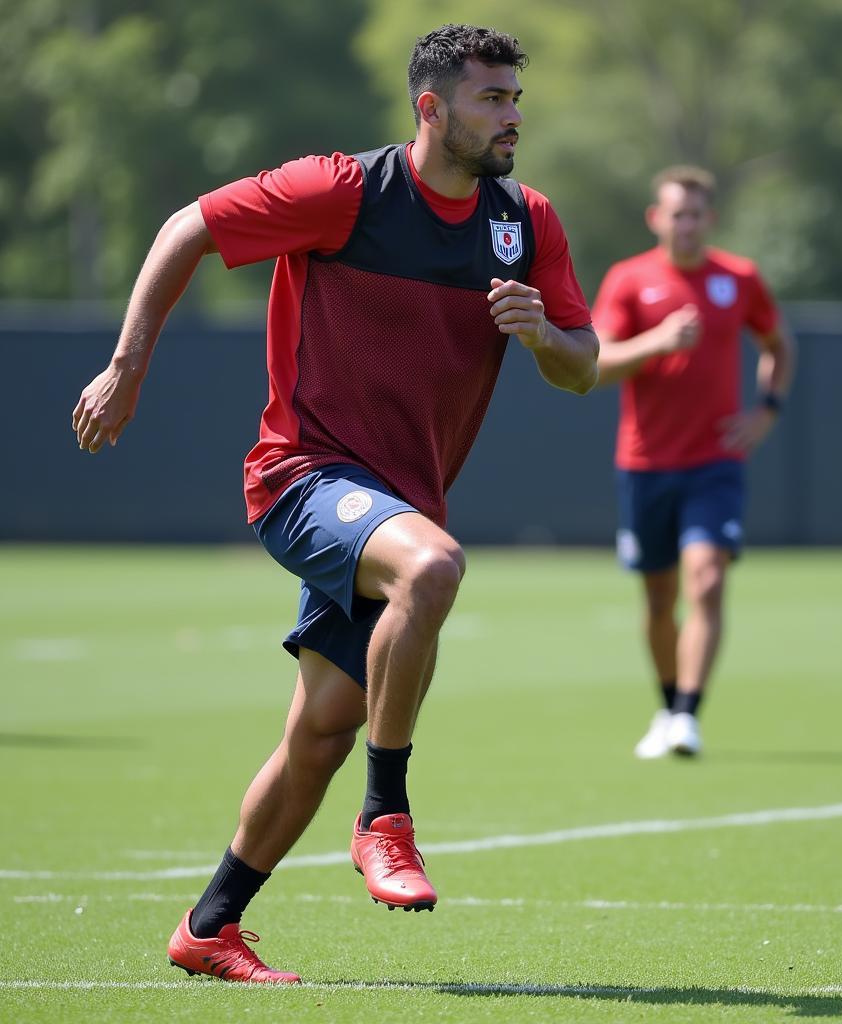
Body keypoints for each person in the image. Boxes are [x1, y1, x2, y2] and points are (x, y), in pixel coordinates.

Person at [72, 24, 597, 984]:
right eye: (493, 99)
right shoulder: (343, 191)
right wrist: (127, 366)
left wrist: (539, 336)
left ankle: (209, 926)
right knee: (433, 567)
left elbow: (583, 366)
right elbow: (187, 225)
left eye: (516, 98)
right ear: (430, 108)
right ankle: (385, 817)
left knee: (319, 728)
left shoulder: (527, 220)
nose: (514, 115)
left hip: (394, 505)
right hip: (302, 477)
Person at [590, 165, 793, 759]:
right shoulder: (629, 280)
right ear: (657, 218)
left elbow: (779, 345)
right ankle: (668, 702)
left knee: (706, 578)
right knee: (658, 598)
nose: (686, 224)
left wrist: (767, 411)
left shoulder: (740, 277)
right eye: (676, 213)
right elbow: (596, 365)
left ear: (711, 219)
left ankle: (687, 715)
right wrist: (659, 342)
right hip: (646, 463)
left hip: (715, 463)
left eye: (696, 214)